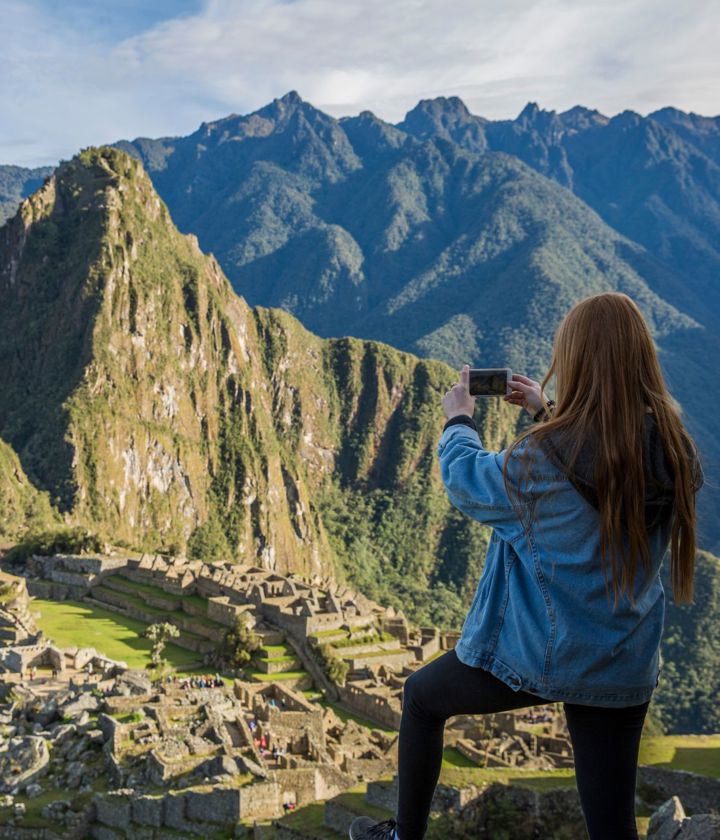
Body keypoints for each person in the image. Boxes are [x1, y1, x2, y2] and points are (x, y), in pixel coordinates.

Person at [349, 292, 704, 840]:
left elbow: (467, 481)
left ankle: (403, 837)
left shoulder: (541, 459)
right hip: (621, 659)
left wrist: (458, 420)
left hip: (543, 655)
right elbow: (606, 463)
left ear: (575, 359)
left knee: (421, 698)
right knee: (612, 825)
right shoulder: (673, 449)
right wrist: (547, 412)